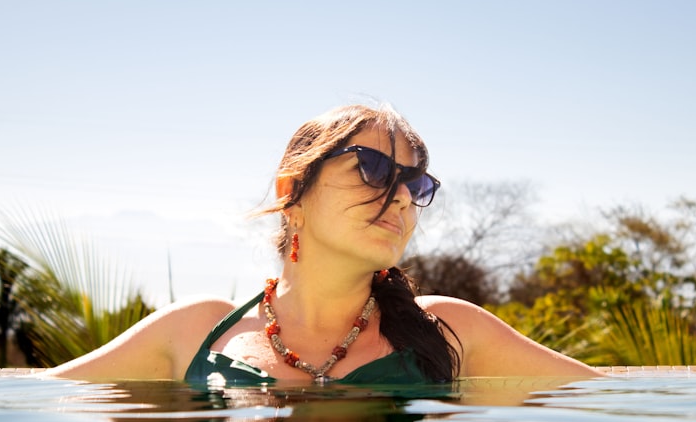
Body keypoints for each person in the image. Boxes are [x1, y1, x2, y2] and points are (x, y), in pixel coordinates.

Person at [46, 103, 598, 385]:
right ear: (293, 191)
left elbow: (610, 406)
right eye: (374, 167)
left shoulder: (451, 332)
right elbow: (36, 407)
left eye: (414, 183)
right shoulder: (193, 333)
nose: (402, 198)